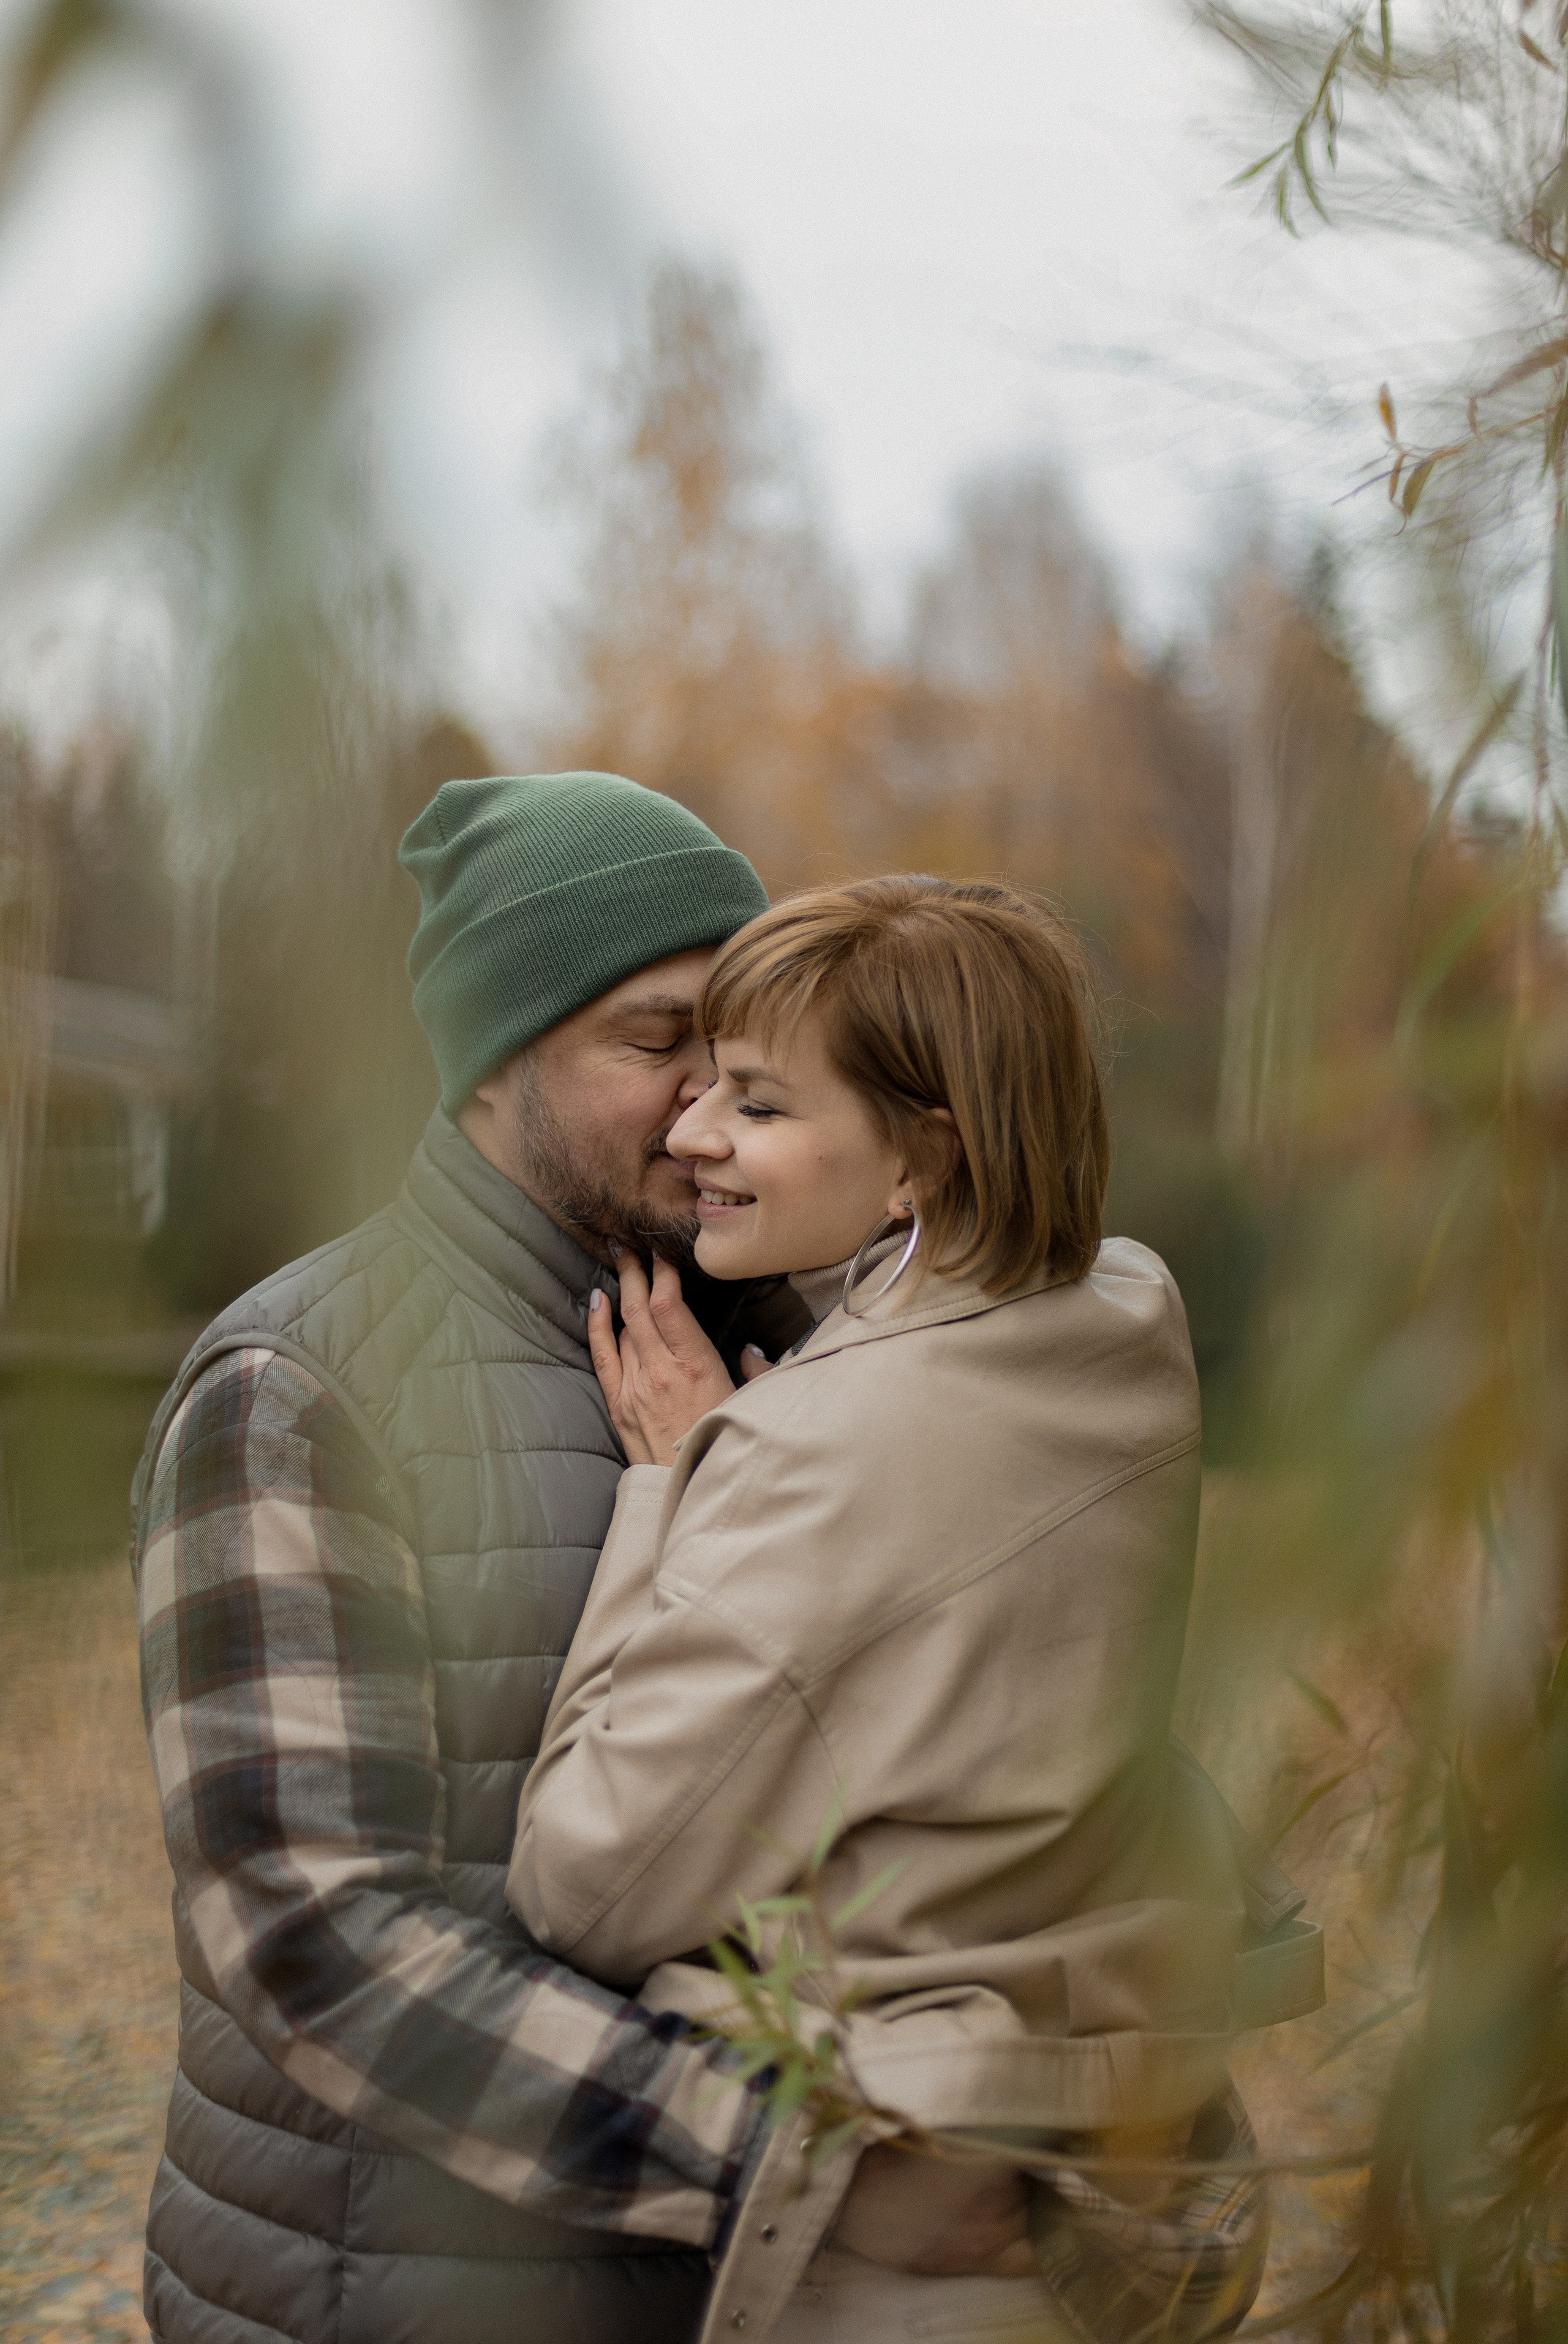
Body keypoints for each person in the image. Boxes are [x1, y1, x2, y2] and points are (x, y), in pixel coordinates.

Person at [130, 779, 1034, 2344]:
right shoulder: (300, 1388)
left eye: (741, 1045)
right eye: (655, 1041)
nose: (710, 1106)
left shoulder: (829, 1344)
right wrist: (795, 2159)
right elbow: (313, 1939)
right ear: (494, 1060)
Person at [509, 875, 1303, 2344]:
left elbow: (584, 1887)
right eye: (701, 1083)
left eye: (755, 1103)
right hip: (1079, 2145)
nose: (690, 1134)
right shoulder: (1127, 1314)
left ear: (922, 1157)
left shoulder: (815, 1455)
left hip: (892, 2234)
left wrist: (673, 1486)